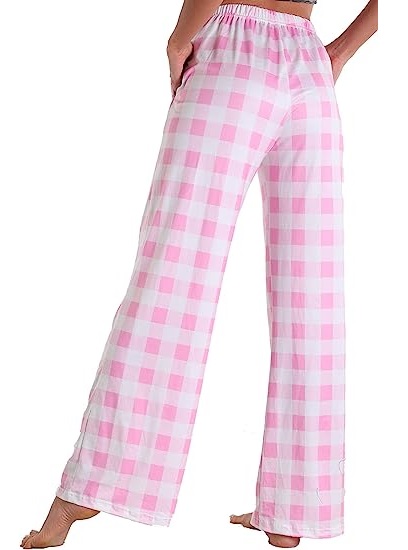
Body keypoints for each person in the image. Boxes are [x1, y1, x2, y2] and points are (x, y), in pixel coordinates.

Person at [20, 1, 378, 548]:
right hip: (311, 75)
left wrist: (178, 40)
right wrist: (341, 51)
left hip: (233, 53)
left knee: (173, 275)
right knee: (314, 298)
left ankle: (96, 486)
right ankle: (296, 510)